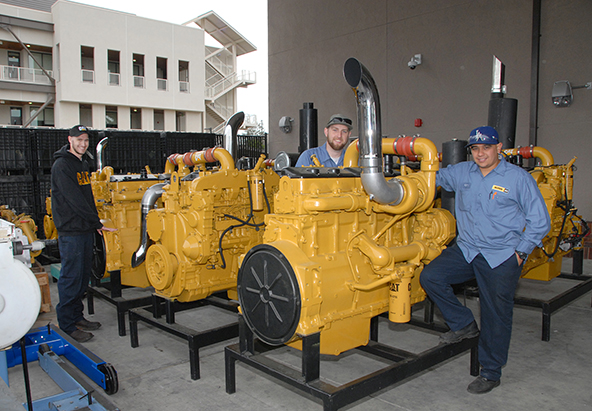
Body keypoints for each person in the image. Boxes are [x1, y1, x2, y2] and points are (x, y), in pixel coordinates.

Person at [420, 126, 550, 394]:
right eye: (475, 149)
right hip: (468, 249)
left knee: (495, 315)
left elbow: (540, 221)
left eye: (486, 148)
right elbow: (428, 180)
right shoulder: (462, 172)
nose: (480, 153)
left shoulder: (518, 178)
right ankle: (464, 324)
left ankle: (490, 372)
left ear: (498, 148)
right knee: (431, 277)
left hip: (501, 254)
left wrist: (521, 252)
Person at [51, 125, 116, 343]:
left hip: (85, 229)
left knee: (82, 278)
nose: (83, 143)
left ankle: (77, 317)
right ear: (70, 139)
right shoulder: (62, 165)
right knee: (71, 277)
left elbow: (87, 196)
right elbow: (74, 200)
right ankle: (67, 325)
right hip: (71, 231)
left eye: (86, 140)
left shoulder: (82, 163)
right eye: (79, 139)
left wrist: (95, 223)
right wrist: (94, 221)